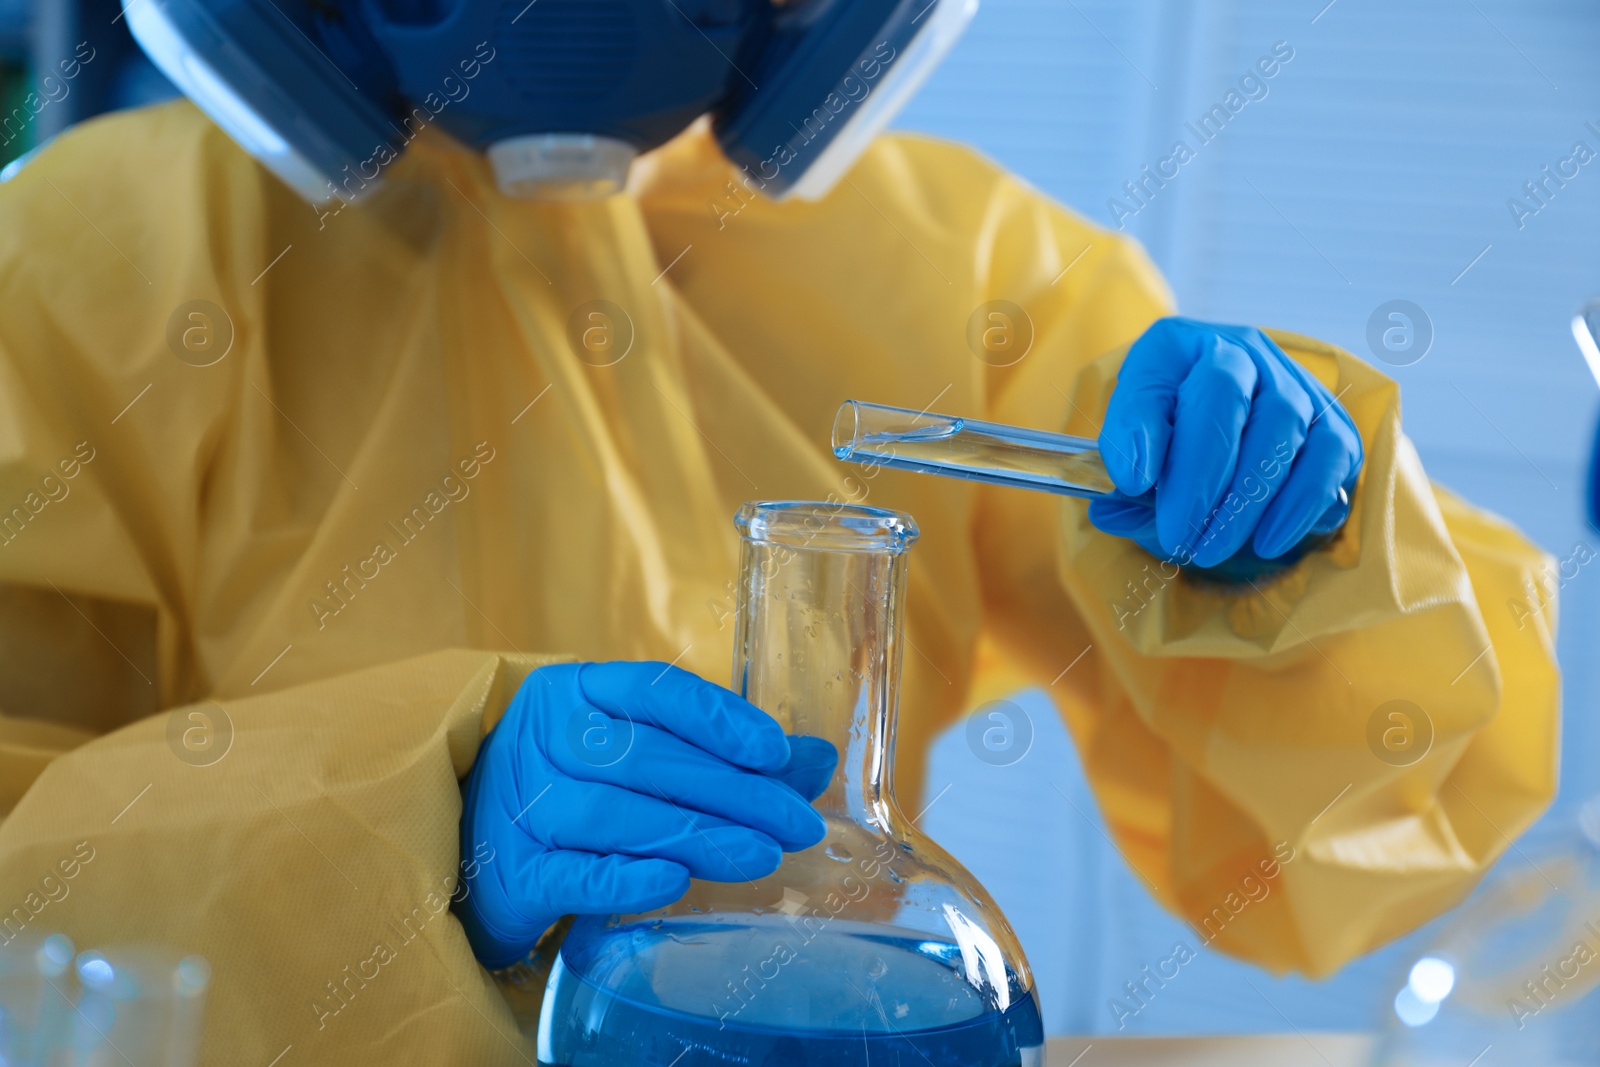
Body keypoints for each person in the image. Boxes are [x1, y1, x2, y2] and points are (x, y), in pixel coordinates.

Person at [0, 1, 1556, 1061]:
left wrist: (1307, 543)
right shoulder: (80, 272)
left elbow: (1389, 831)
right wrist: (411, 829)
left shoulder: (962, 269)